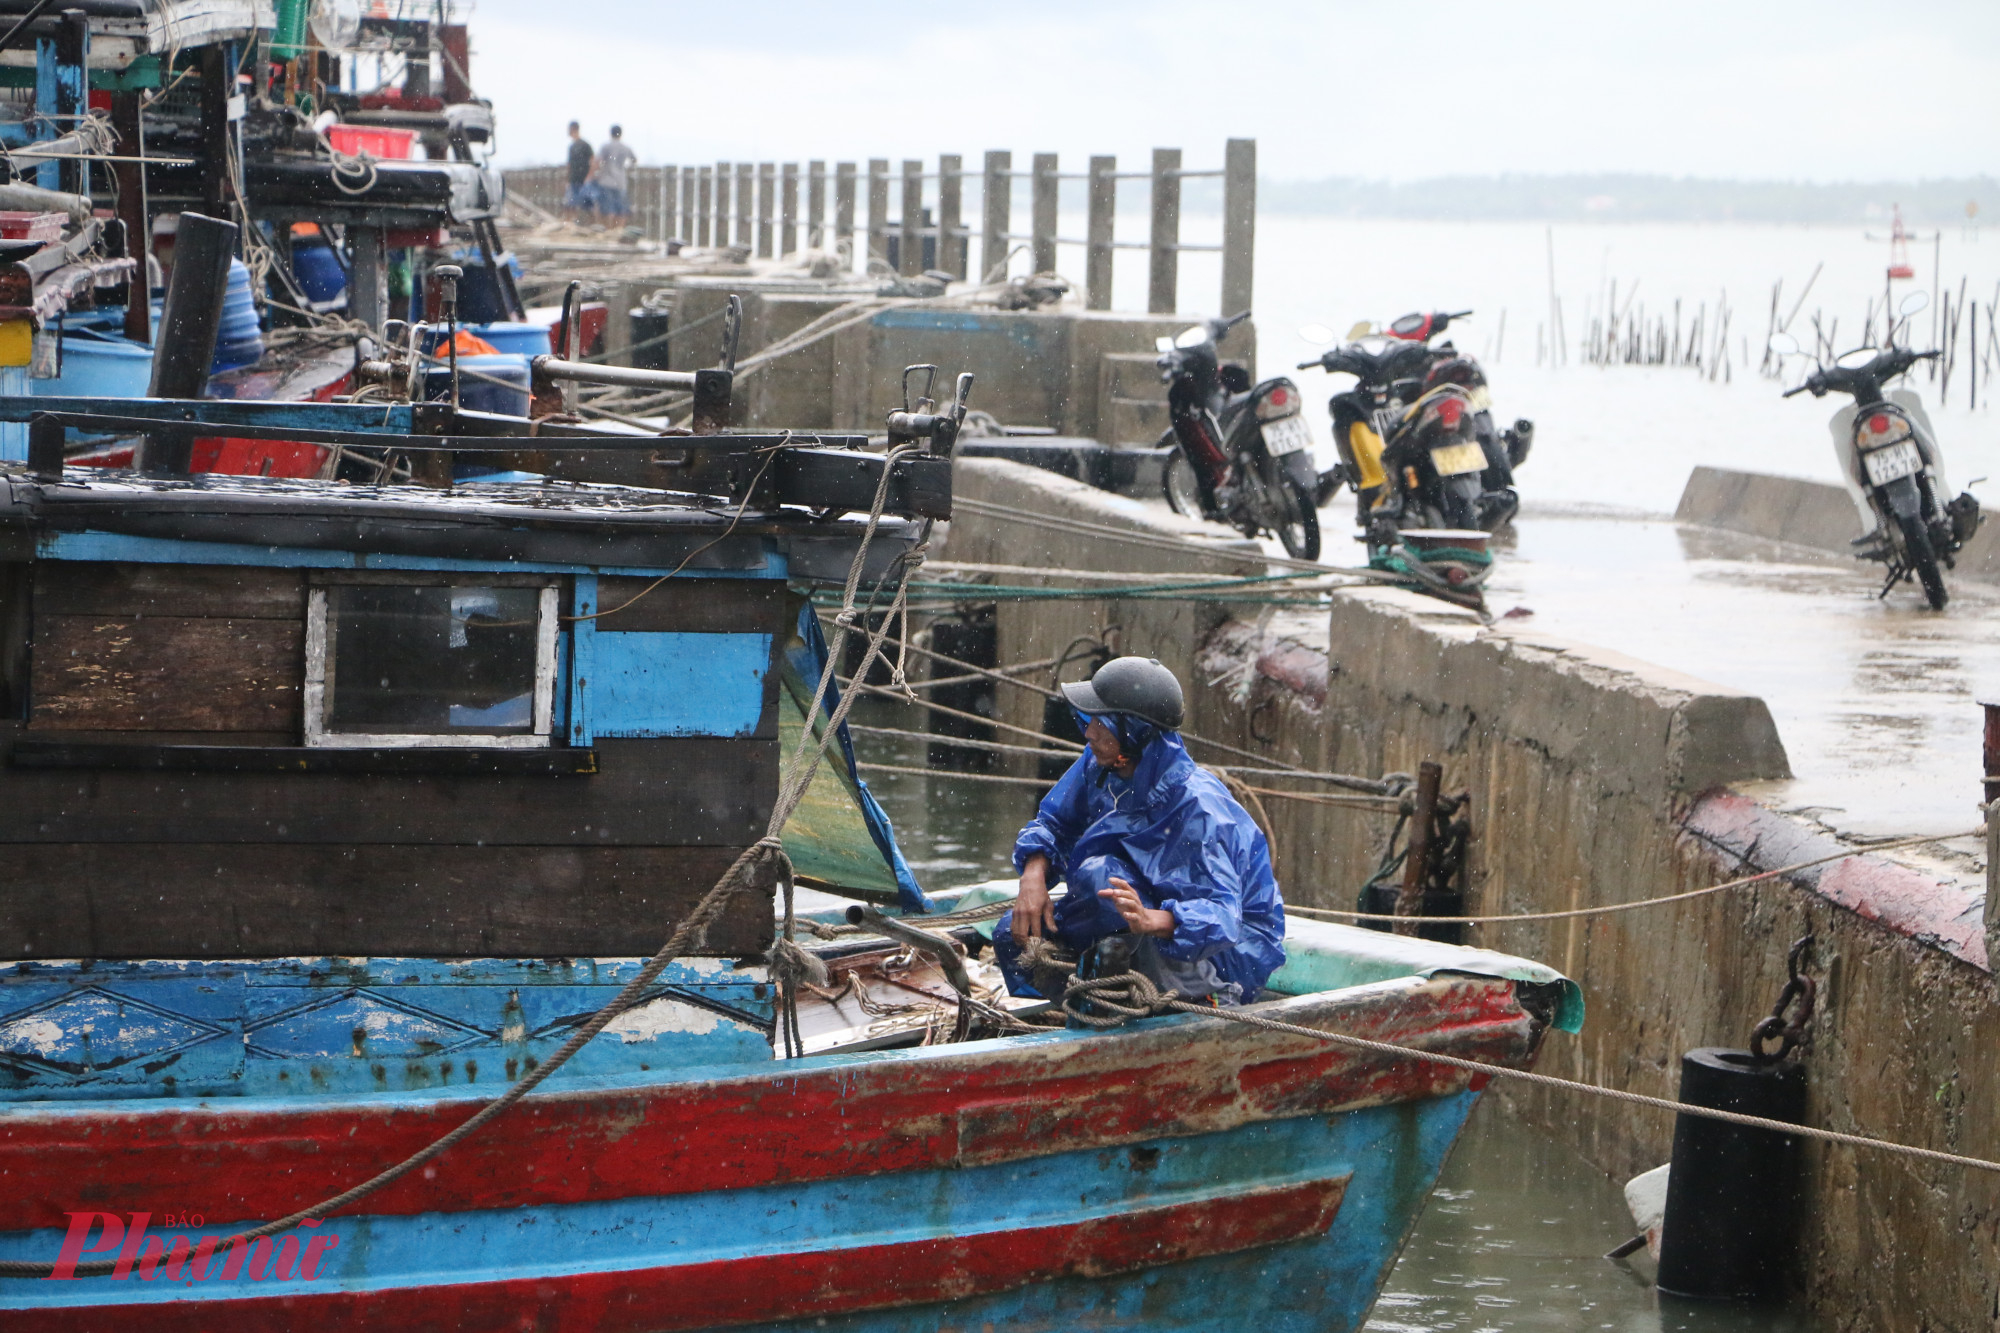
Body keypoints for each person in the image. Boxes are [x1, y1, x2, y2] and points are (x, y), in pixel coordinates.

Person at [992, 656, 1286, 1007]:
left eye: (1099, 722)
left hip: (1227, 954)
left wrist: (1153, 920)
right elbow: (1054, 823)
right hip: (1136, 914)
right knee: (1015, 937)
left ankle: (1183, 996)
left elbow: (1223, 917)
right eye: (1087, 719)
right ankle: (1093, 998)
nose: (1089, 732)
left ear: (1133, 730)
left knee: (1100, 878)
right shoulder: (1100, 763)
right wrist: (1033, 875)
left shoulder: (1197, 807)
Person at [592, 125, 637, 226]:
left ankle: (607, 229)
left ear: (610, 133)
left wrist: (595, 174)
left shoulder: (606, 146)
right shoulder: (626, 148)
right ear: (621, 134)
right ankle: (618, 230)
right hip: (621, 182)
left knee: (606, 209)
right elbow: (634, 160)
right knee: (621, 209)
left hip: (606, 181)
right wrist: (626, 168)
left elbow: (598, 161)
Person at [563, 121, 595, 221]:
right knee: (570, 204)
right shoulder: (572, 147)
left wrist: (589, 176)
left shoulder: (585, 145)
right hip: (574, 179)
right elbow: (569, 164)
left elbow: (593, 161)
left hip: (583, 180)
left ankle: (592, 225)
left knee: (588, 206)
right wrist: (568, 179)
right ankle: (571, 223)